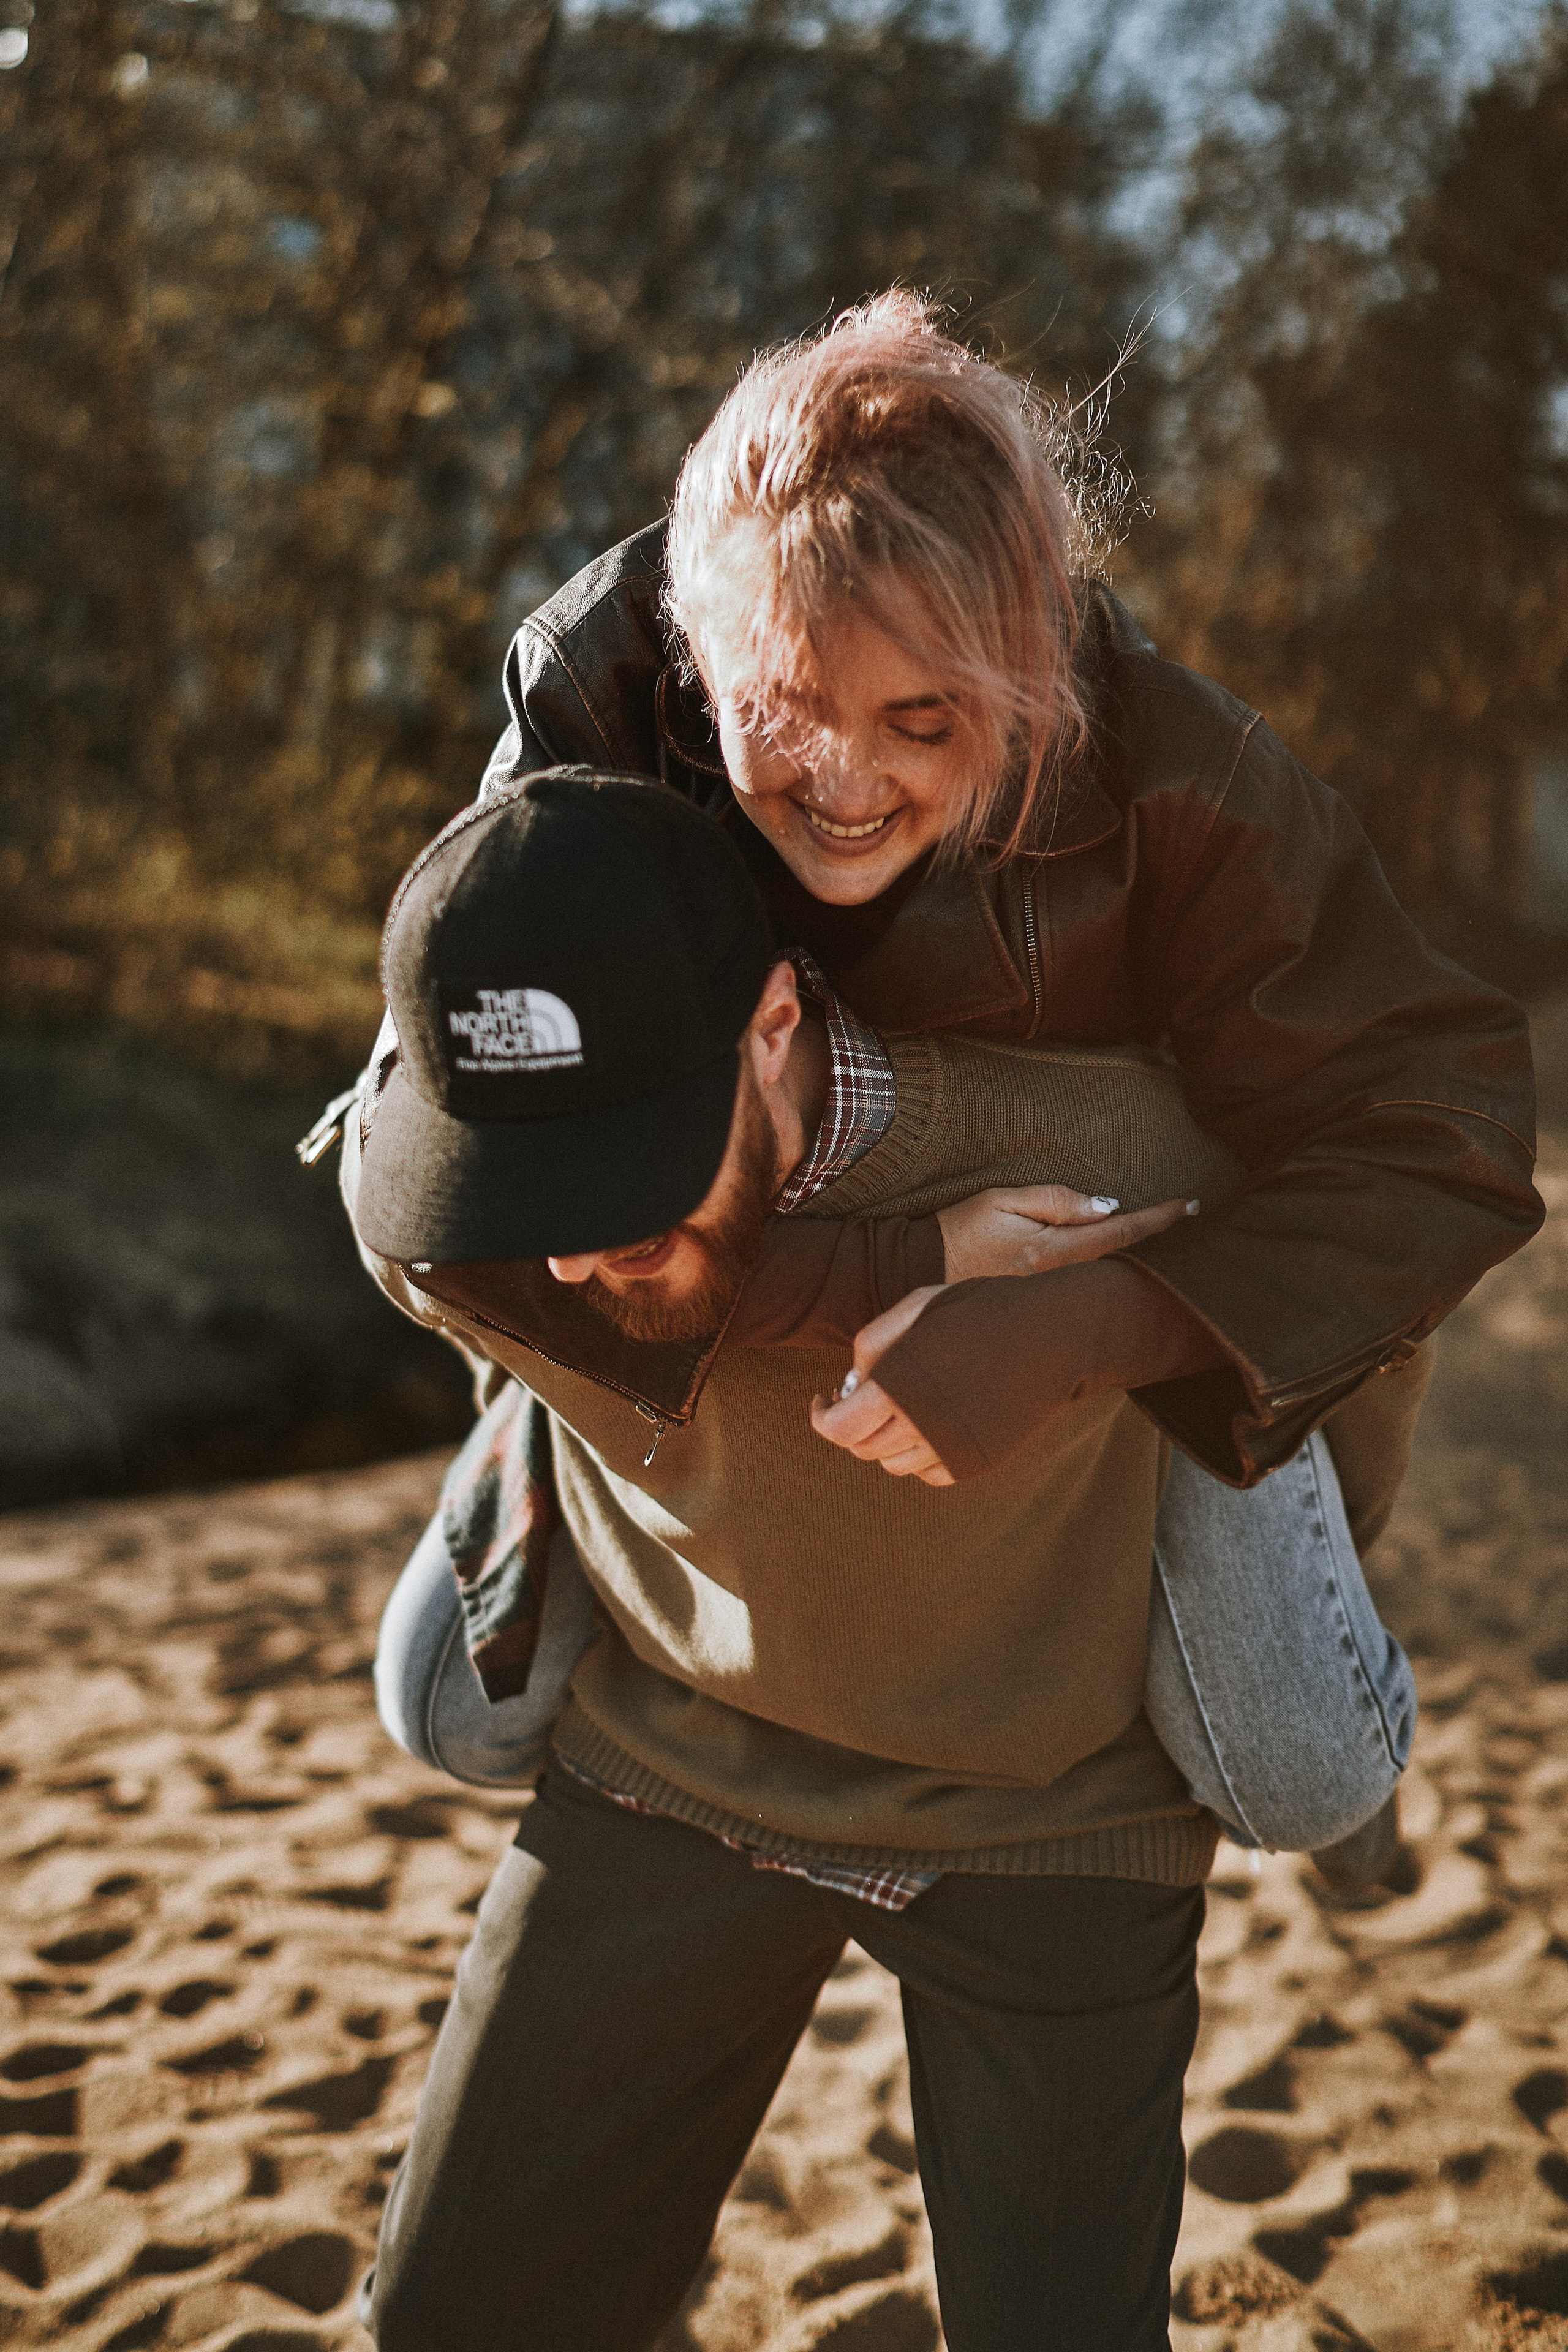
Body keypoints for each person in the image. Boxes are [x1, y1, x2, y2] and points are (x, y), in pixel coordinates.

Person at [339, 771, 1523, 2352]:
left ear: (774, 1029)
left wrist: (1301, 1554)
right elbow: (413, 1228)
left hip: (1051, 1813)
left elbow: (1347, 1348)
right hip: (674, 1750)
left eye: (626, 1178)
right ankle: (546, 1450)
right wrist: (875, 1277)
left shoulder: (1100, 1148)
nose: (571, 1253)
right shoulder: (441, 1183)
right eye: (532, 1196)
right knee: (451, 2326)